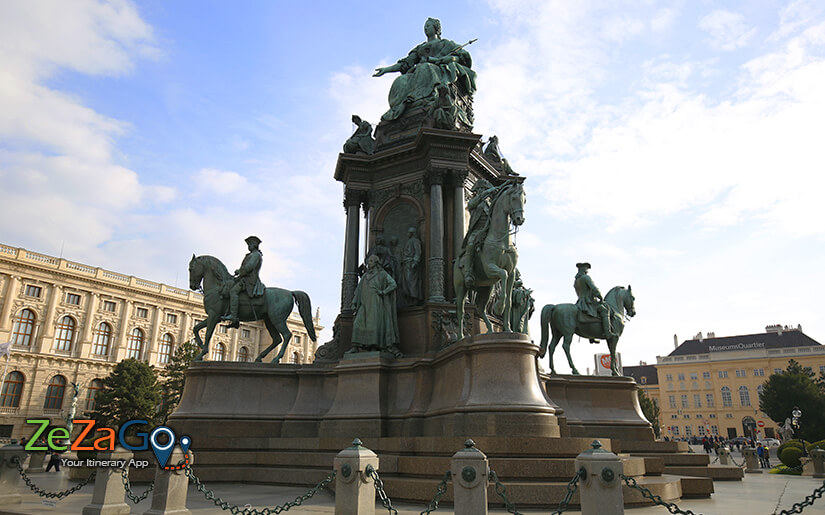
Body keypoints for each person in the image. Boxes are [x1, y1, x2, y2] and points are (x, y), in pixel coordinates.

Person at [373, 17, 477, 122]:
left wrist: (448, 59)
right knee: (401, 80)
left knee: (425, 68)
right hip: (419, 73)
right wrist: (386, 70)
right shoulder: (420, 48)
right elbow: (406, 63)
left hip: (438, 70)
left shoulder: (446, 44)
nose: (425, 28)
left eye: (428, 26)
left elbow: (463, 57)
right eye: (425, 26)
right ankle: (405, 104)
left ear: (435, 28)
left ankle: (430, 98)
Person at [351, 255, 402, 357]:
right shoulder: (365, 276)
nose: (368, 263)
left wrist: (384, 292)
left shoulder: (382, 274)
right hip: (364, 305)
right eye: (368, 261)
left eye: (371, 261)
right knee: (357, 323)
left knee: (373, 324)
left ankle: (374, 345)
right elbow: (358, 290)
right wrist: (354, 303)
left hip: (375, 304)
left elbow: (393, 284)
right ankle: (355, 347)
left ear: (376, 263)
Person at [458, 179, 498, 287]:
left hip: (488, 232)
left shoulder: (490, 204)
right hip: (477, 231)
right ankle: (467, 273)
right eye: (481, 189)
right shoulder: (474, 202)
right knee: (471, 244)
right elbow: (471, 204)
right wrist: (488, 192)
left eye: (484, 189)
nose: (482, 191)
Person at [222, 236, 266, 327]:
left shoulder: (256, 255)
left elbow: (249, 267)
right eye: (248, 245)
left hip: (249, 280)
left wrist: (240, 271)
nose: (248, 246)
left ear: (254, 245)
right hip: (244, 278)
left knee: (233, 292)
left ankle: (234, 316)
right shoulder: (250, 255)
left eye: (250, 244)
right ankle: (233, 318)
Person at [574, 263, 617, 343]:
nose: (587, 271)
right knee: (605, 310)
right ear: (584, 269)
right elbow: (593, 288)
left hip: (580, 302)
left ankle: (591, 337)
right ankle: (608, 333)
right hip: (588, 302)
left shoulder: (576, 281)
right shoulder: (586, 278)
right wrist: (600, 297)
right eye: (586, 269)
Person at [401, 227, 422, 304]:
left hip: (411, 264)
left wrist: (415, 262)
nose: (407, 234)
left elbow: (418, 252)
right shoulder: (409, 241)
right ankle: (409, 298)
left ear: (412, 233)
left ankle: (414, 298)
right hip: (406, 264)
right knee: (406, 282)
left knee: (412, 282)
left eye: (409, 232)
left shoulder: (415, 241)